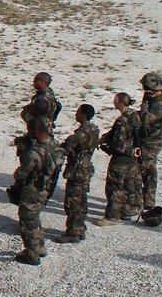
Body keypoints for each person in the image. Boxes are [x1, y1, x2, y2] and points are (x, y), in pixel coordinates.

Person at [8, 117, 59, 265]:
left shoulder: (33, 154)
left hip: (32, 190)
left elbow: (20, 174)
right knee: (35, 217)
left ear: (36, 132)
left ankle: (32, 255)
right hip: (46, 187)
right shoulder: (55, 145)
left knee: (27, 220)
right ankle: (39, 246)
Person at [55, 104, 100, 242]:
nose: (76, 114)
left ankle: (73, 232)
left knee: (72, 203)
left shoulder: (78, 135)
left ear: (84, 115)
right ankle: (80, 228)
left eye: (78, 112)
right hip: (86, 169)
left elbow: (63, 150)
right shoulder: (94, 130)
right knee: (82, 201)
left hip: (76, 171)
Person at [96, 93, 141, 225]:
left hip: (121, 159)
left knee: (114, 188)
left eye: (115, 100)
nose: (113, 102)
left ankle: (112, 217)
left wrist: (108, 145)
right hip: (132, 160)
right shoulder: (134, 115)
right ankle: (127, 211)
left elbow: (118, 144)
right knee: (129, 186)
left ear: (120, 103)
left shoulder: (122, 121)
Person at [138, 72, 162, 211]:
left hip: (152, 142)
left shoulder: (160, 103)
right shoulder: (157, 100)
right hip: (150, 140)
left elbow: (146, 119)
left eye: (145, 87)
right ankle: (147, 201)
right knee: (148, 172)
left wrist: (145, 104)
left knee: (145, 171)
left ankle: (144, 202)